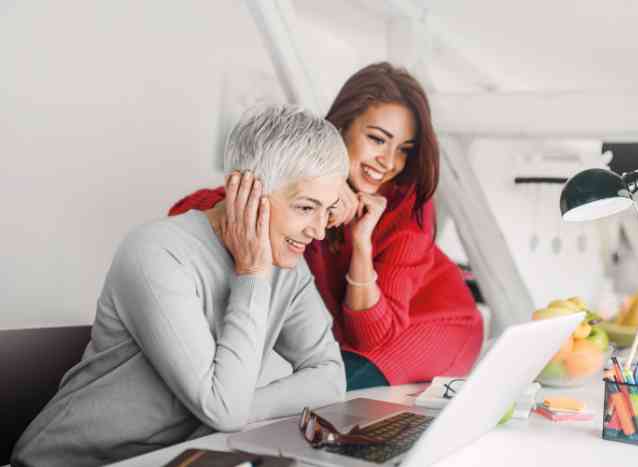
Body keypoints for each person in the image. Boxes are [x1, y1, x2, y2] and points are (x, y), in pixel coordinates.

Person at [12, 105, 348, 467]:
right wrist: (252, 272)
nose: (318, 231)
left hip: (172, 460)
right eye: (305, 208)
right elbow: (222, 411)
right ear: (246, 190)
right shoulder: (155, 252)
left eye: (327, 211)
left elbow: (330, 377)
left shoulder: (288, 268)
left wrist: (235, 403)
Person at [169, 62, 484, 391]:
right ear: (342, 127)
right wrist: (327, 191)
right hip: (356, 338)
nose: (390, 162)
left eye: (404, 150)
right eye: (377, 139)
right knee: (305, 389)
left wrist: (362, 243)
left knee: (333, 389)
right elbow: (185, 213)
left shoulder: (408, 209)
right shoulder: (309, 173)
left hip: (435, 324)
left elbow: (370, 337)